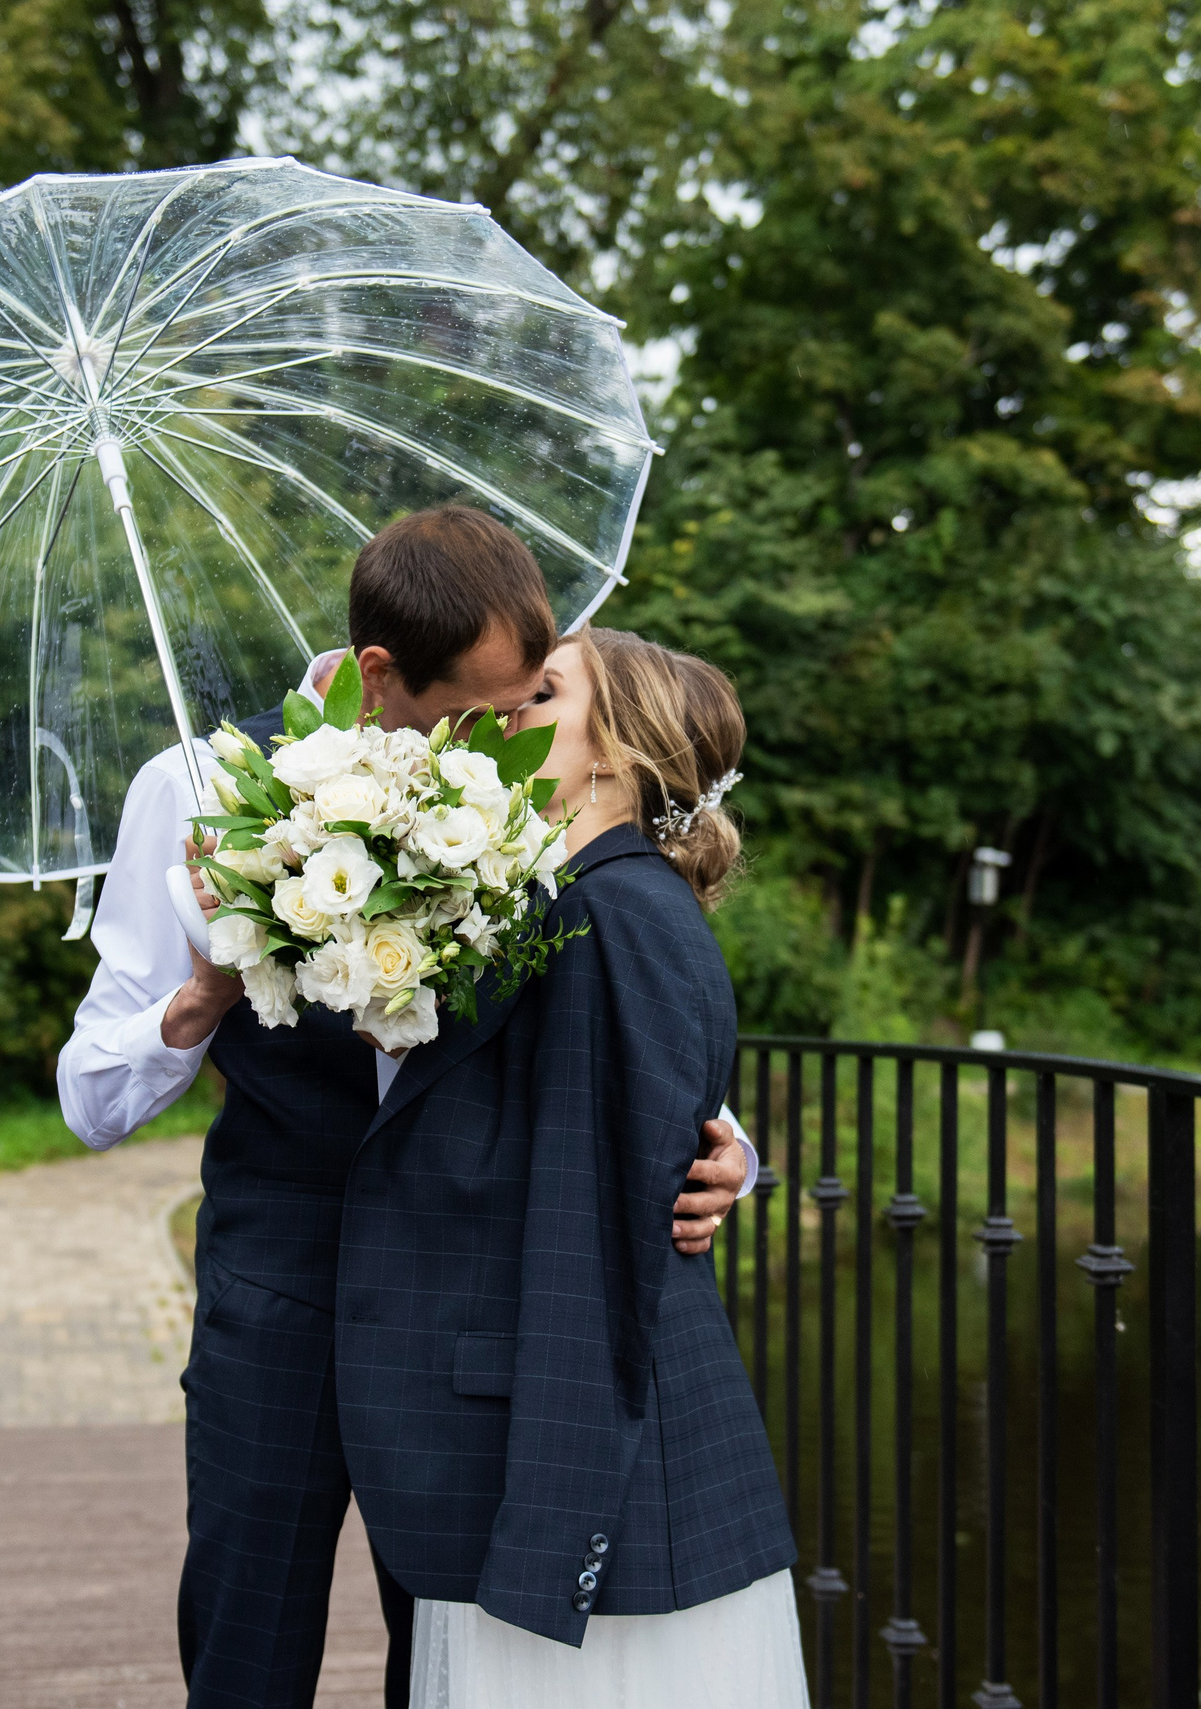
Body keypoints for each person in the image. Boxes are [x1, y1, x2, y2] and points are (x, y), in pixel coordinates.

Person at [56, 509, 759, 1709]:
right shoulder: (192, 789)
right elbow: (89, 1098)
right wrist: (203, 995)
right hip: (281, 1280)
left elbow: (611, 1015)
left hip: (465, 1302)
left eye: (525, 699)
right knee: (246, 1628)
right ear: (380, 673)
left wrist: (727, 1142)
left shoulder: (516, 800)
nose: (498, 736)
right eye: (476, 708)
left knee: (447, 1650)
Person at [339, 628, 803, 1708]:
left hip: (590, 1499)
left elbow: (591, 1239)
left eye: (542, 693)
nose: (507, 707)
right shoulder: (571, 904)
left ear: (619, 751)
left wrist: (547, 1534)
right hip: (550, 1469)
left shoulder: (610, 916)